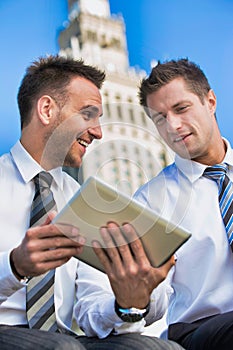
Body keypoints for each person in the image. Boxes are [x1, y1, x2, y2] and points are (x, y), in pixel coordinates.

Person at [0, 54, 184, 350]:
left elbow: (90, 308)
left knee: (159, 348)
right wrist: (14, 266)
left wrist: (126, 303)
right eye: (88, 114)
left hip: (62, 337)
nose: (98, 132)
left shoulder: (83, 201)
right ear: (47, 109)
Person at [100, 57, 233, 350]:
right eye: (159, 118)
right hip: (199, 329)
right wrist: (138, 292)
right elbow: (155, 297)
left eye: (181, 109)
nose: (173, 125)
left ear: (210, 101)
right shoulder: (151, 201)